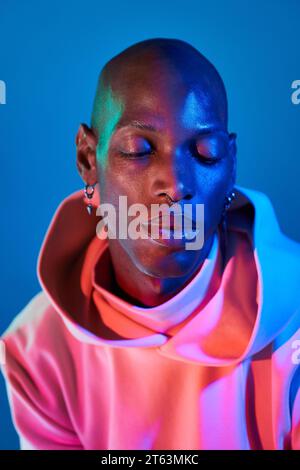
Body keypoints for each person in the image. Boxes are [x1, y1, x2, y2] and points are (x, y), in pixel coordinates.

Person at [1, 38, 300, 450]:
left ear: (230, 166)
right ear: (89, 159)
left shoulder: (294, 319)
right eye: (138, 150)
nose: (176, 185)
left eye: (205, 152)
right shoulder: (38, 348)